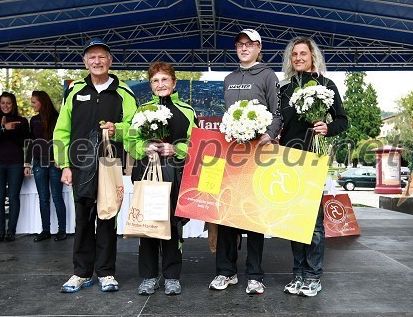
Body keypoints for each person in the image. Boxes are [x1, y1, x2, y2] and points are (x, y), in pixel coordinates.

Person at [53, 38, 137, 293]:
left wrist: (118, 129)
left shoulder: (124, 93)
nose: (97, 61)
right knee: (83, 220)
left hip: (109, 165)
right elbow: (61, 131)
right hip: (79, 166)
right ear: (85, 62)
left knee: (107, 218)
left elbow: (135, 128)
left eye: (102, 56)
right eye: (92, 57)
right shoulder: (75, 92)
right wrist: (64, 165)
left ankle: (106, 273)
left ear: (110, 61)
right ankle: (81, 272)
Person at [208, 29, 282, 295]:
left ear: (259, 47)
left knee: (253, 216)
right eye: (240, 44)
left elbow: (277, 112)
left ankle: (254, 275)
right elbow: (227, 116)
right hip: (231, 154)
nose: (244, 48)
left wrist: (269, 134)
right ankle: (225, 272)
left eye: (249, 44)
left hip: (258, 154)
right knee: (226, 212)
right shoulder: (229, 78)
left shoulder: (268, 75)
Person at [279, 37, 348, 297]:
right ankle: (298, 274)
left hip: (313, 158)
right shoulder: (283, 89)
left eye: (303, 53)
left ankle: (313, 276)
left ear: (312, 56)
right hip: (287, 159)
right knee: (293, 220)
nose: (298, 58)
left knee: (314, 223)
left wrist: (327, 128)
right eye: (294, 54)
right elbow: (279, 123)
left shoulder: (325, 85)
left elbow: (343, 120)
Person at [127, 61, 198, 296]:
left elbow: (195, 145)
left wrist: (174, 149)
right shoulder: (142, 110)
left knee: (172, 227)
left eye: (165, 79)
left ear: (174, 82)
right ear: (151, 85)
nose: (160, 84)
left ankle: (171, 277)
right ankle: (148, 277)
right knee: (148, 227)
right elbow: (131, 141)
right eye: (155, 81)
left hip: (175, 176)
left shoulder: (187, 111)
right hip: (147, 174)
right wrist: (144, 147)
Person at [24, 90, 67, 242]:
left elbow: (61, 139)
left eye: (34, 102)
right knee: (43, 198)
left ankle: (62, 230)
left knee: (56, 197)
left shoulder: (57, 118)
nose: (32, 104)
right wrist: (27, 163)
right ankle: (46, 230)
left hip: (54, 164)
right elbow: (30, 142)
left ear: (42, 102)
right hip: (38, 163)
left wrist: (60, 159)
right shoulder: (33, 120)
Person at [0, 92, 30, 242]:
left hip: (15, 163)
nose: (5, 106)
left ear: (13, 104)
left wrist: (9, 129)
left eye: (8, 103)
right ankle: (0, 232)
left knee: (13, 197)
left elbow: (25, 142)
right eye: (2, 103)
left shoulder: (22, 121)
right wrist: (1, 128)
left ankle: (11, 232)